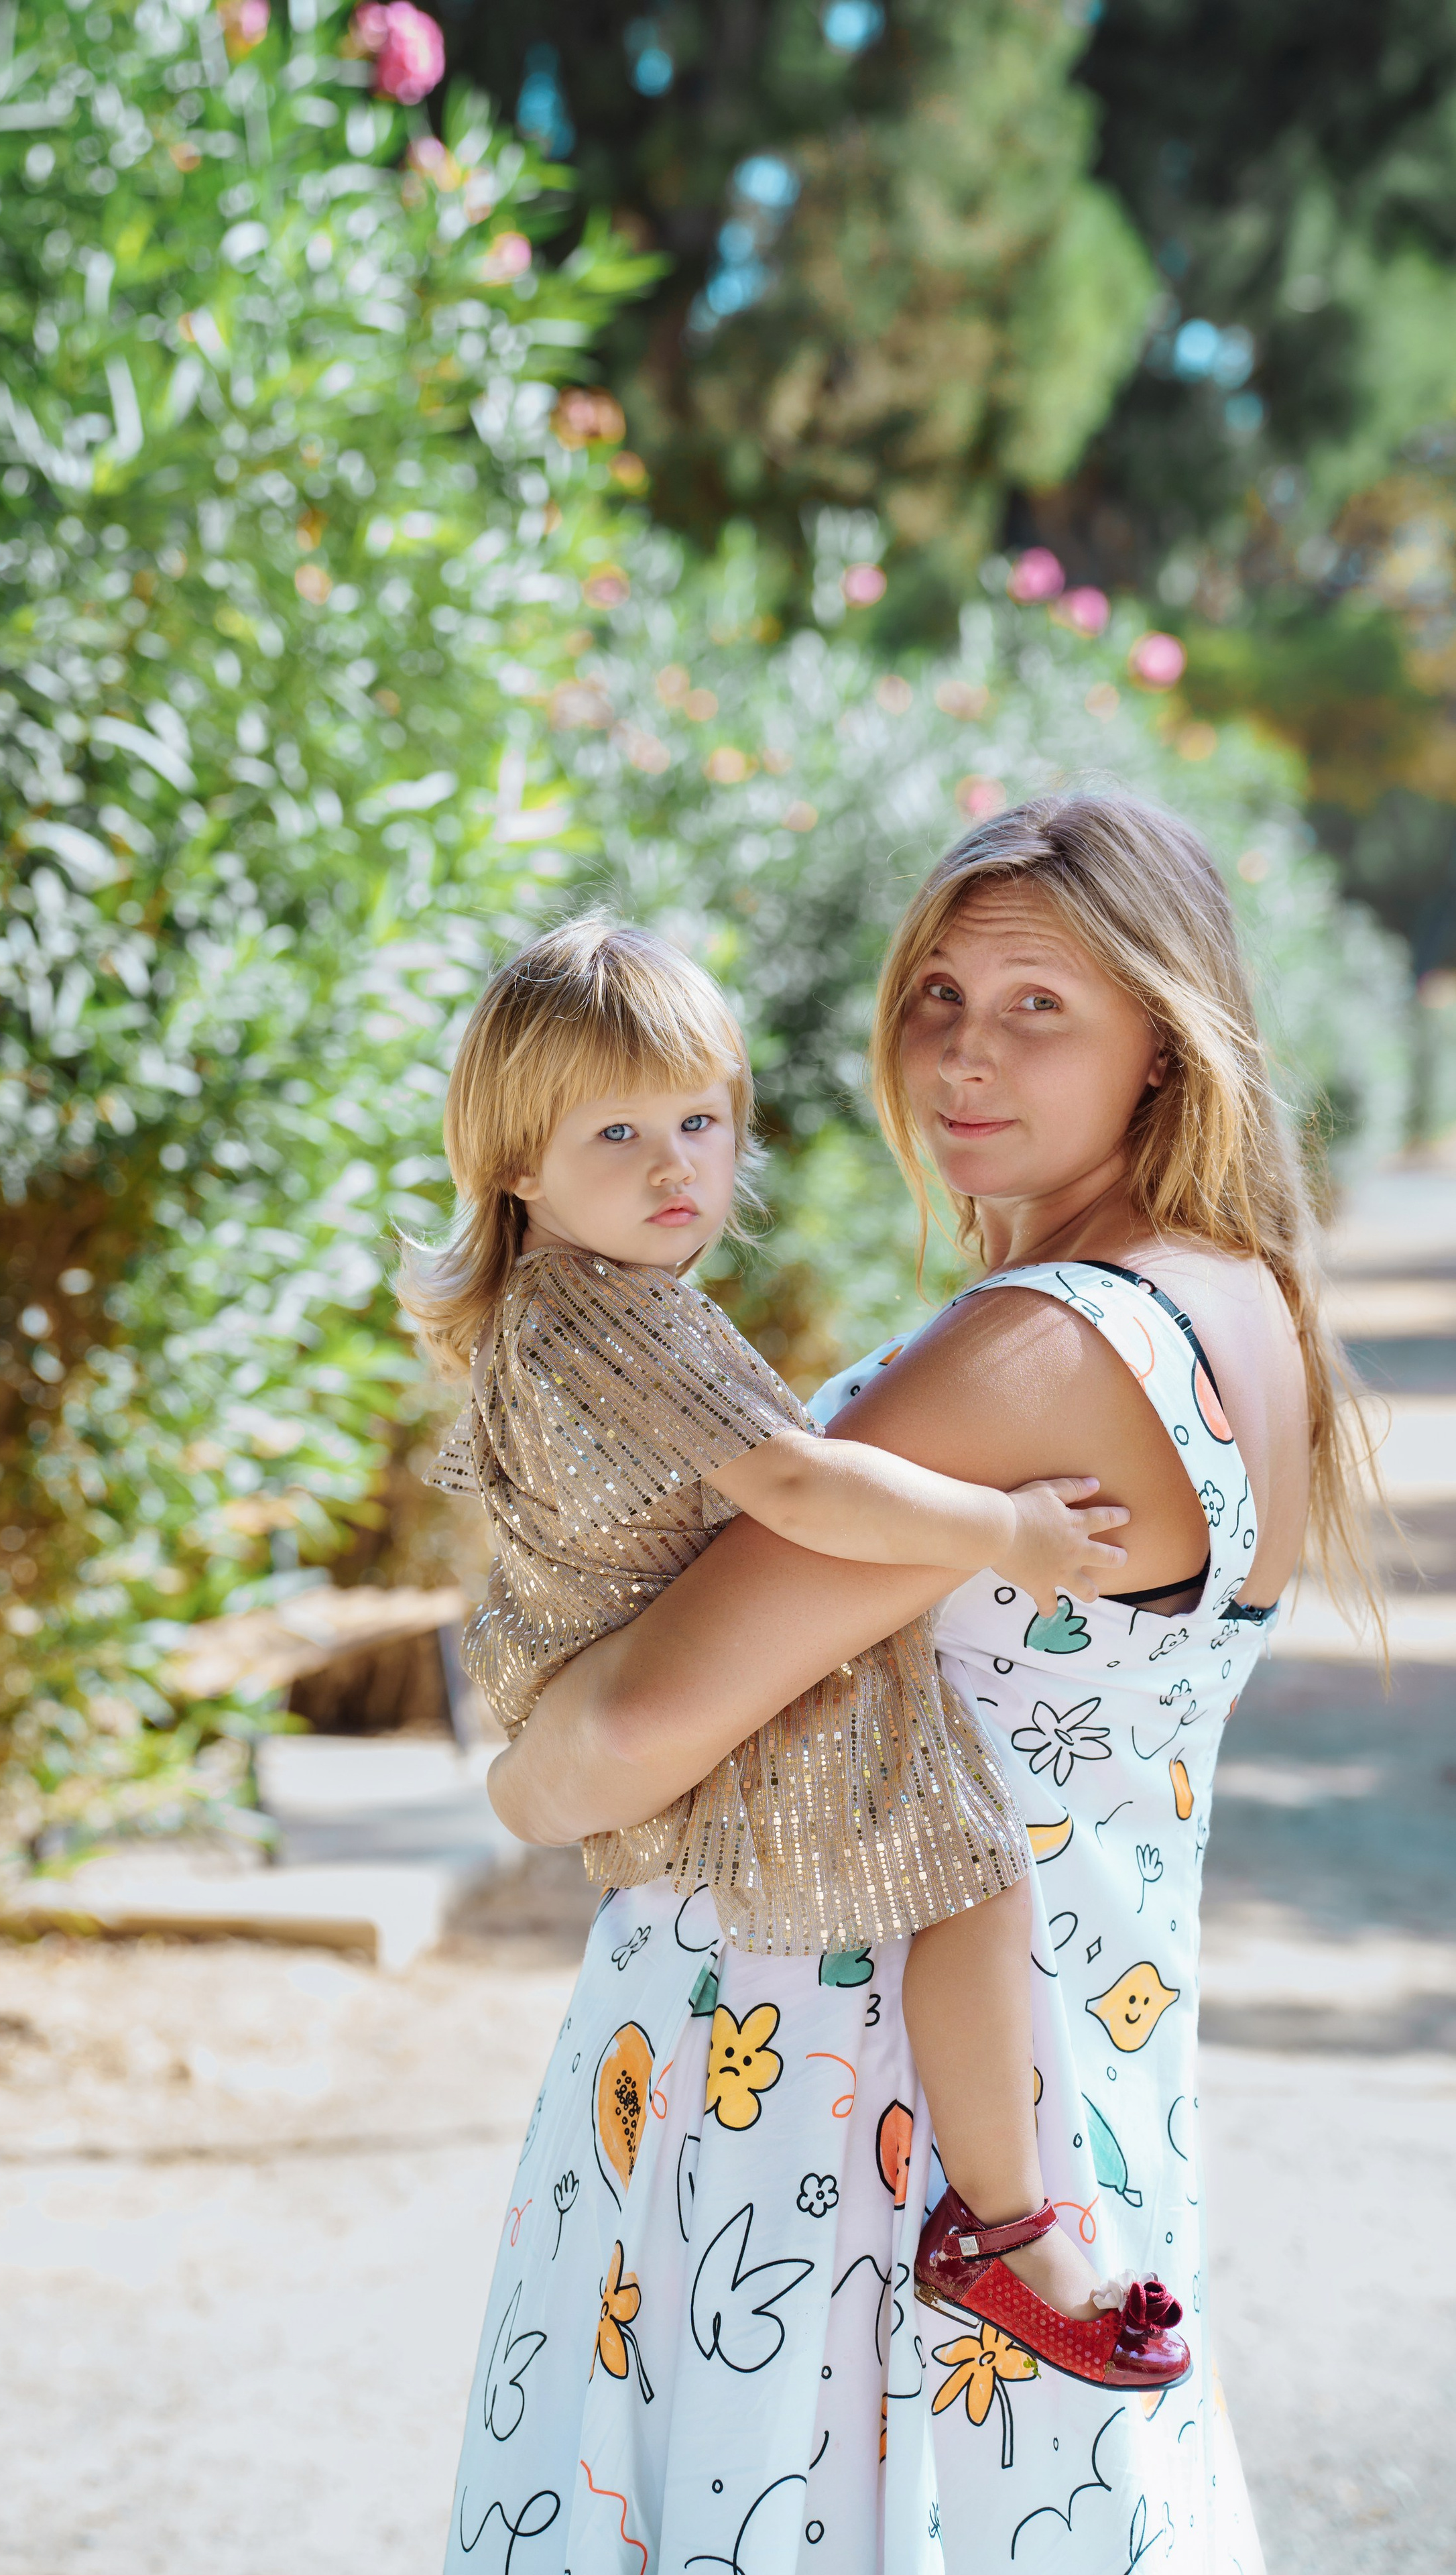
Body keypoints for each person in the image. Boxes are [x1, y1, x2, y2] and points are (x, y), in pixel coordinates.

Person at [457, 793, 1374, 2573]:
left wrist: (513, 1792)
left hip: (819, 2119)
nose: (962, 1052)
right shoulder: (1243, 1302)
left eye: (1041, 1007)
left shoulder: (1038, 1346)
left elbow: (626, 1737)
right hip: (1057, 2078)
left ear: (1164, 1044)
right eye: (937, 993)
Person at [403, 915, 1152, 2385]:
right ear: (512, 1163)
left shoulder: (571, 1303)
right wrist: (1005, 1531)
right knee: (977, 1882)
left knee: (961, 1895)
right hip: (711, 1713)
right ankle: (1006, 2236)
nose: (675, 1164)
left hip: (640, 1682)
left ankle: (999, 2225)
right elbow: (801, 1487)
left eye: (700, 1119)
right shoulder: (613, 1318)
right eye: (615, 1131)